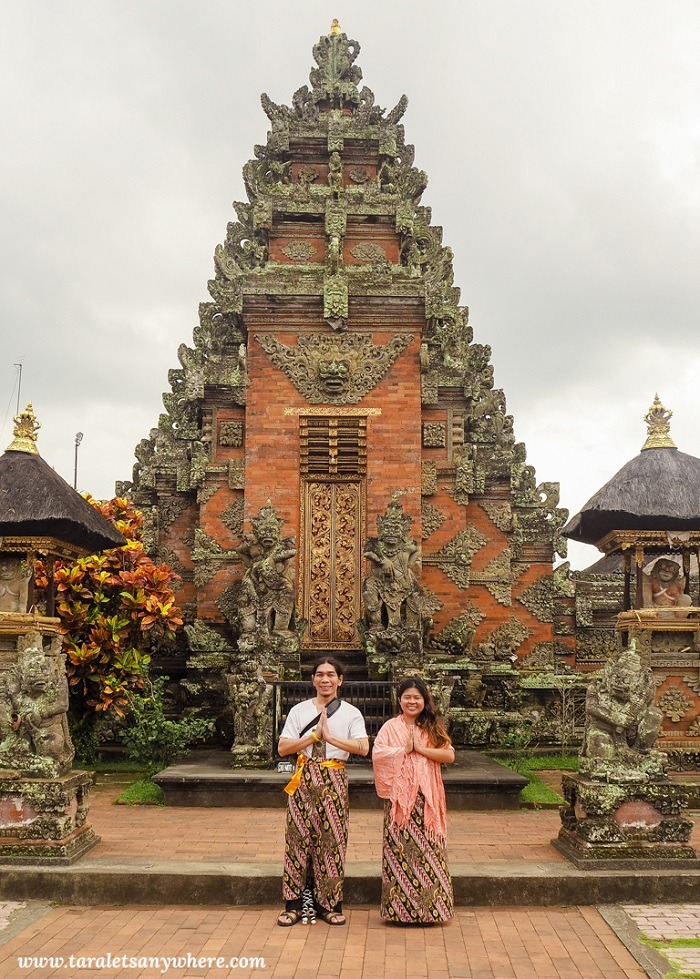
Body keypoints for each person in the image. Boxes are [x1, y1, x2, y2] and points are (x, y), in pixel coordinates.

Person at [277, 656, 369, 927]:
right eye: (320, 674)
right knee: (297, 839)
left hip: (334, 778)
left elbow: (363, 748)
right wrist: (313, 738)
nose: (325, 679)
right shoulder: (299, 711)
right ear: (313, 679)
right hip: (303, 776)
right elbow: (283, 749)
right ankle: (293, 905)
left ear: (340, 680)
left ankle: (329, 904)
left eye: (331, 674)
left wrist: (330, 739)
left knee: (332, 841)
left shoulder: (352, 713)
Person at [372, 677, 454, 925]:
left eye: (417, 697)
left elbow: (448, 755)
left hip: (427, 800)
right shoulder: (390, 727)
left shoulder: (431, 727)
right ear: (399, 700)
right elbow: (377, 754)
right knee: (400, 852)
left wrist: (420, 748)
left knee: (430, 851)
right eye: (407, 696)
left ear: (424, 700)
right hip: (400, 803)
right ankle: (399, 910)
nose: (412, 701)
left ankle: (433, 910)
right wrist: (403, 751)